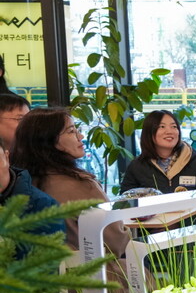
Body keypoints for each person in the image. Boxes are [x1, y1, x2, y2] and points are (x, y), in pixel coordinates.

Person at [10, 108, 129, 258]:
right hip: (97, 274)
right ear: (51, 141)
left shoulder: (19, 185)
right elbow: (116, 244)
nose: (80, 136)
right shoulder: (81, 185)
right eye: (71, 131)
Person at [121, 110, 196, 194]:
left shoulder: (195, 161)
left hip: (190, 212)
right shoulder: (137, 166)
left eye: (174, 126)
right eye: (162, 126)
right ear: (149, 132)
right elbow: (125, 203)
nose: (169, 131)